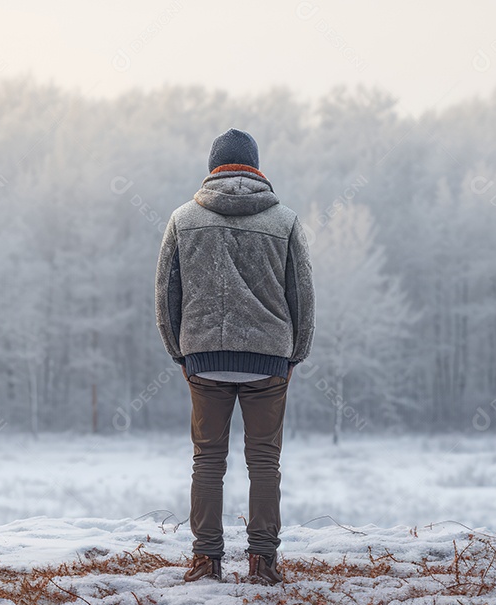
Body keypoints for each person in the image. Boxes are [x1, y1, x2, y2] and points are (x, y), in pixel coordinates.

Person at [155, 128, 315, 585]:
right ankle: (263, 562)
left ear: (212, 168)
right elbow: (301, 294)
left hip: (204, 356)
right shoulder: (284, 220)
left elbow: (166, 294)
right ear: (256, 167)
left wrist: (180, 351)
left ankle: (206, 561)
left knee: (207, 459)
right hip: (268, 359)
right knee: (264, 461)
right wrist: (294, 355)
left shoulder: (184, 219)